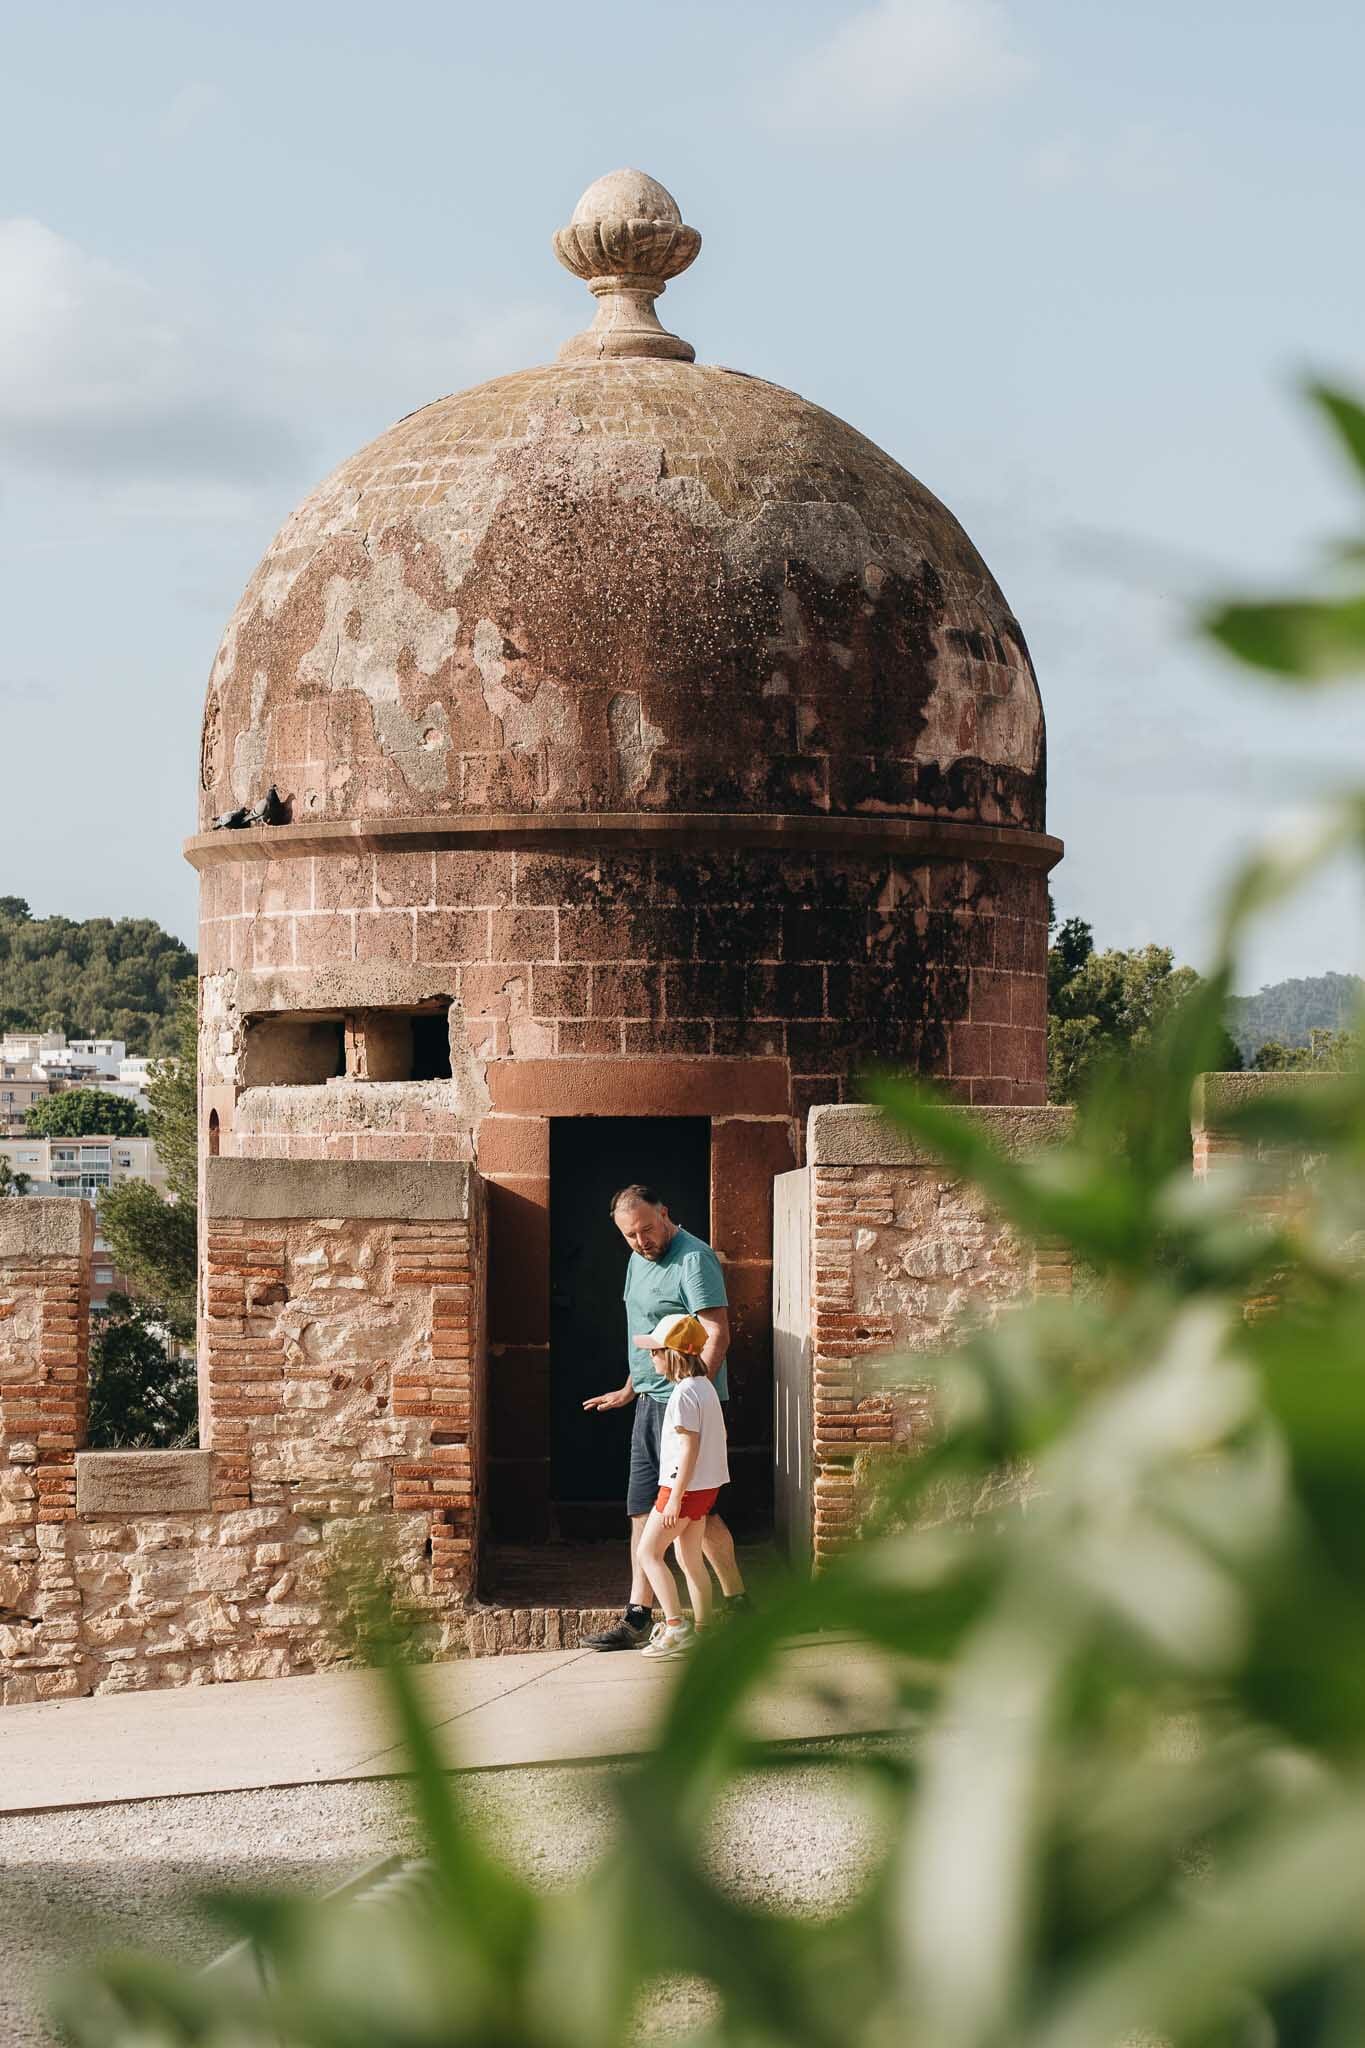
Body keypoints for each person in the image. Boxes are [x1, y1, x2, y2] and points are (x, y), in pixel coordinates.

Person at [582, 1182, 751, 1650]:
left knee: (697, 1513)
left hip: (686, 1408)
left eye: (648, 1230)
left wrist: (697, 1394)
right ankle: (643, 1616)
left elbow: (716, 1333)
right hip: (649, 1404)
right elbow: (651, 1334)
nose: (641, 1242)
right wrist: (629, 1387)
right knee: (647, 1510)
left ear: (665, 1213)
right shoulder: (638, 1260)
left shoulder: (693, 1259)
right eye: (631, 1235)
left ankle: (723, 1605)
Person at [634, 1312, 730, 1660]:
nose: (652, 1357)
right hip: (705, 1489)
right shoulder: (704, 1388)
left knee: (648, 1553)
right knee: (689, 1559)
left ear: (674, 1353)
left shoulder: (683, 1394)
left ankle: (676, 1628)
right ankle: (703, 1632)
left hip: (683, 1489)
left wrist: (674, 1498)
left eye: (657, 1351)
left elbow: (688, 1449)